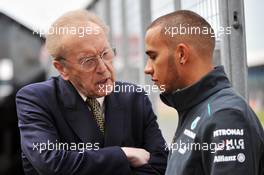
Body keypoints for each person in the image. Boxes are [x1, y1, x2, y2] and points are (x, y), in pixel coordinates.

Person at [16, 9, 168, 175]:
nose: (103, 68)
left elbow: (160, 163)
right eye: (88, 61)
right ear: (62, 69)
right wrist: (123, 154)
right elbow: (51, 162)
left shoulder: (133, 97)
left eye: (106, 53)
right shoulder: (37, 99)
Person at [144, 10, 264, 175]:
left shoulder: (225, 115)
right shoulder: (196, 108)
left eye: (153, 56)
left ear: (181, 54)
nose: (147, 68)